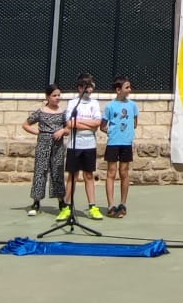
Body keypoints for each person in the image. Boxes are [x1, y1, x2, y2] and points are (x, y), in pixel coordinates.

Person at [58, 73, 105, 222]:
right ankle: (67, 207)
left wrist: (81, 123)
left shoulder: (95, 104)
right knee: (72, 176)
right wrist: (86, 123)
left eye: (91, 86)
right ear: (80, 88)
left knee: (89, 175)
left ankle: (92, 207)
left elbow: (97, 123)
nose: (90, 89)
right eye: (87, 86)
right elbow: (70, 123)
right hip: (74, 145)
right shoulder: (73, 103)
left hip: (89, 145)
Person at [21, 85, 68, 216]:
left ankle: (61, 201)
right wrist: (39, 132)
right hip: (43, 144)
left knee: (57, 171)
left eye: (59, 95)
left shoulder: (63, 113)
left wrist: (62, 131)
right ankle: (36, 201)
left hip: (57, 146)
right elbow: (26, 124)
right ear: (47, 97)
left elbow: (69, 128)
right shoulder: (41, 112)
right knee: (40, 171)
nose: (57, 98)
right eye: (54, 95)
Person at [103, 75, 139, 218]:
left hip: (126, 143)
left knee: (124, 172)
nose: (129, 90)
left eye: (129, 87)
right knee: (111, 172)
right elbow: (103, 125)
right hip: (113, 142)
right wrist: (111, 131)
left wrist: (127, 131)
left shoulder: (133, 105)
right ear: (118, 90)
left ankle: (123, 203)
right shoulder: (110, 106)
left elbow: (135, 123)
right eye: (127, 87)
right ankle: (111, 204)